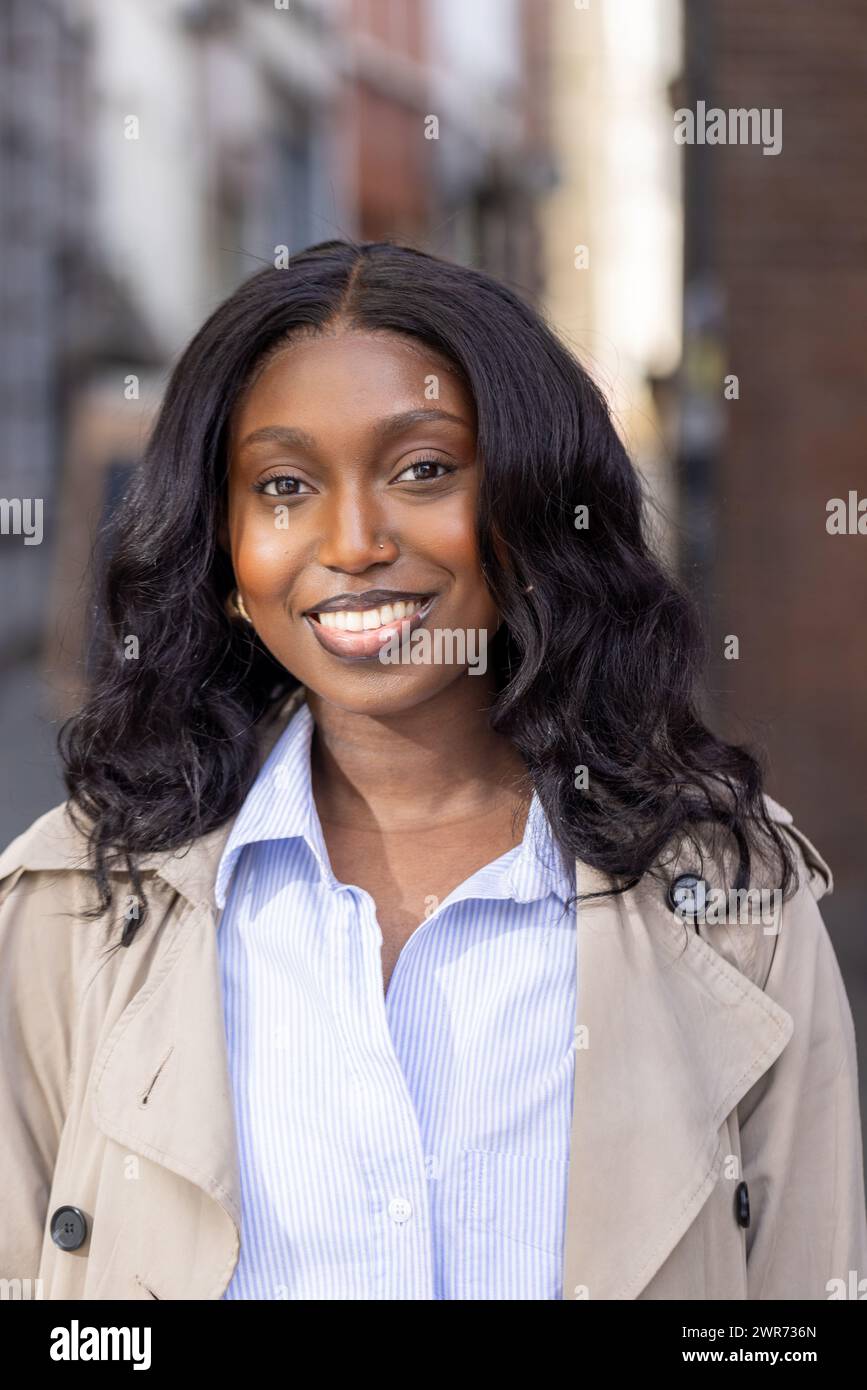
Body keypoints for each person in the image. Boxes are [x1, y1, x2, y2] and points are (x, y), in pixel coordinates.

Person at [0, 239, 864, 1301]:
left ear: (533, 507)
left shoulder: (737, 899)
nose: (355, 539)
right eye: (284, 484)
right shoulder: (66, 909)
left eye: (423, 470)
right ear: (225, 555)